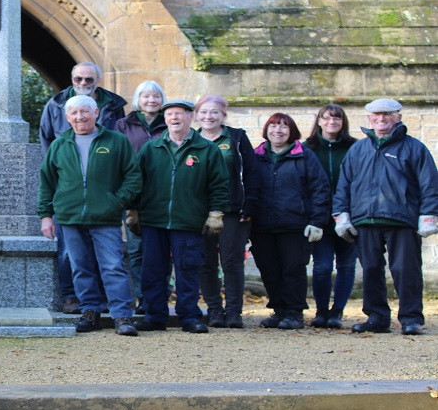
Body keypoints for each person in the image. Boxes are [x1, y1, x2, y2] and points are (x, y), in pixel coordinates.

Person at [333, 98, 438, 336]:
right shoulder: (358, 149)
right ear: (369, 118)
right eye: (377, 115)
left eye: (387, 115)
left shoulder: (414, 147)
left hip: (402, 219)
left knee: (406, 270)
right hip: (364, 220)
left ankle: (411, 318)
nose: (382, 119)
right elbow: (344, 185)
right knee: (370, 269)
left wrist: (429, 215)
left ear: (398, 117)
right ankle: (377, 317)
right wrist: (341, 215)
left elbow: (429, 184)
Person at [38, 95, 142, 336]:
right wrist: (46, 215)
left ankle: (122, 316)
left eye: (85, 111)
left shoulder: (116, 141)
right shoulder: (59, 145)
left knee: (113, 266)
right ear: (67, 117)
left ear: (96, 113)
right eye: (74, 113)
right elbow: (47, 183)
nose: (80, 117)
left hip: (105, 217)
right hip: (70, 218)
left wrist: (117, 202)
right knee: (80, 267)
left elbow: (133, 176)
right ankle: (90, 313)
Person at [134, 99, 229, 334]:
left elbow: (219, 185)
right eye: (169, 115)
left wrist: (216, 213)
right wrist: (132, 210)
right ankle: (155, 315)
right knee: (152, 269)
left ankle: (189, 316)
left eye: (179, 114)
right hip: (154, 220)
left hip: (188, 220)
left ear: (190, 117)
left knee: (188, 269)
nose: (173, 118)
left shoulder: (207, 150)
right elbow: (137, 182)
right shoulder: (150, 148)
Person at [39, 62, 127, 314]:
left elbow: (127, 166)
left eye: (89, 80)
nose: (83, 84)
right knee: (72, 257)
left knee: (111, 260)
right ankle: (76, 300)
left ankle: (117, 310)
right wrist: (51, 205)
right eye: (78, 79)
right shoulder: (55, 106)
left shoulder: (114, 107)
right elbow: (46, 153)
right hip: (69, 202)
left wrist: (117, 199)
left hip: (104, 201)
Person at [251, 113, 330, 330]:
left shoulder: (304, 155)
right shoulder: (256, 155)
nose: (278, 131)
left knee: (293, 268)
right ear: (266, 130)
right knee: (269, 269)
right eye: (273, 126)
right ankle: (279, 310)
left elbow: (320, 189)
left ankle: (294, 311)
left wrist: (317, 221)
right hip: (262, 226)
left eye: (283, 127)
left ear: (291, 131)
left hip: (295, 224)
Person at [195, 95, 261, 329]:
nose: (208, 117)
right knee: (205, 262)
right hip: (200, 212)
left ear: (223, 115)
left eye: (214, 112)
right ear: (196, 115)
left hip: (233, 209)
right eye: (203, 112)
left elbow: (252, 171)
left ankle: (234, 311)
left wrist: (250, 202)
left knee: (232, 262)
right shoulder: (192, 139)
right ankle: (214, 310)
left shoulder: (236, 137)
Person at [303, 104, 358, 329]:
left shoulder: (354, 147)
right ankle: (321, 310)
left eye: (336, 119)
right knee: (322, 266)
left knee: (346, 265)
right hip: (319, 217)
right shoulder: (307, 148)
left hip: (349, 216)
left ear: (343, 122)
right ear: (319, 121)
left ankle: (337, 311)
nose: (331, 123)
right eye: (326, 118)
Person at [115, 80, 168, 313]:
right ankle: (141, 298)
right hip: (134, 196)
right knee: (136, 251)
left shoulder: (170, 123)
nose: (151, 101)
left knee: (162, 250)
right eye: (146, 96)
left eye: (156, 96)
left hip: (164, 194)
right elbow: (116, 160)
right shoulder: (123, 125)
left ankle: (160, 298)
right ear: (138, 99)